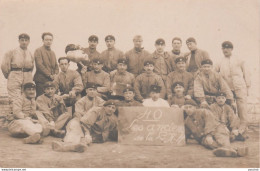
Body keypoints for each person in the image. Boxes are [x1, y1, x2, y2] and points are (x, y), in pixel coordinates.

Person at [184, 99, 248, 157]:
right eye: (186, 108)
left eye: (190, 107)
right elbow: (185, 134)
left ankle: (229, 148)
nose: (188, 109)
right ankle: (234, 150)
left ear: (195, 107)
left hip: (216, 129)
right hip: (204, 137)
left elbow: (210, 122)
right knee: (209, 143)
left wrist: (209, 135)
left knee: (220, 136)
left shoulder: (203, 111)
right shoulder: (187, 121)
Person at [51, 83, 104, 153]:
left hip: (93, 124)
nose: (92, 91)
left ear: (96, 91)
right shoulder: (80, 101)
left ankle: (75, 145)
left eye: (94, 90)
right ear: (86, 91)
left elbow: (103, 111)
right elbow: (79, 115)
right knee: (74, 126)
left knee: (85, 135)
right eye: (90, 90)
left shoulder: (100, 100)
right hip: (80, 121)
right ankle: (70, 145)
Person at [215, 41, 250, 131]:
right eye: (223, 48)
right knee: (229, 108)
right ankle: (232, 128)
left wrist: (247, 87)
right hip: (227, 89)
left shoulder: (239, 60)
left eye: (227, 48)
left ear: (231, 49)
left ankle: (243, 129)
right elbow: (214, 73)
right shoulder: (220, 61)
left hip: (240, 87)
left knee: (242, 108)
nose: (225, 50)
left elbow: (247, 73)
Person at [1, 33, 34, 102]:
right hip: (15, 75)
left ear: (29, 42)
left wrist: (28, 74)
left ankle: (24, 111)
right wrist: (9, 75)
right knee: (14, 96)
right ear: (19, 41)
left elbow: (32, 66)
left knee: (26, 95)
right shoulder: (11, 52)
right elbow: (4, 65)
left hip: (27, 75)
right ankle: (14, 111)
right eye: (22, 40)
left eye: (26, 40)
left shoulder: (30, 53)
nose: (24, 42)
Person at [34, 32, 59, 97]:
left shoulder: (52, 52)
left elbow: (56, 65)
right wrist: (49, 75)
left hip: (51, 80)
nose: (49, 41)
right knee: (41, 98)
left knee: (52, 98)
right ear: (43, 40)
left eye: (50, 40)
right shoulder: (38, 50)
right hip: (41, 80)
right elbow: (39, 65)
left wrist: (56, 74)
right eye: (46, 40)